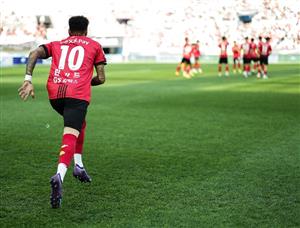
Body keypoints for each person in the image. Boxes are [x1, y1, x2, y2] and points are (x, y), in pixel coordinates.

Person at [18, 16, 107, 208]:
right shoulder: (94, 45)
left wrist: (28, 79)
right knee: (70, 133)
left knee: (80, 124)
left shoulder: (57, 44)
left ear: (69, 31)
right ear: (86, 31)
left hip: (55, 96)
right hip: (77, 96)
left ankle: (79, 166)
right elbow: (101, 78)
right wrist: (85, 82)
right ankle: (59, 175)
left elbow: (34, 53)